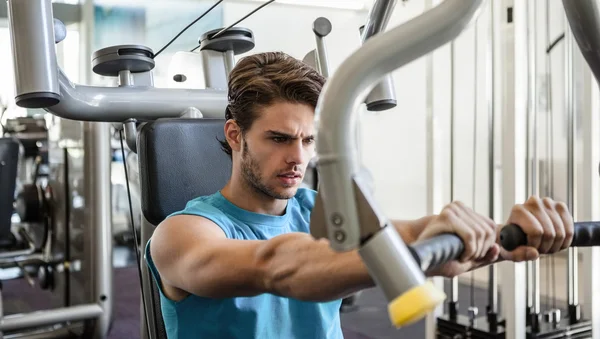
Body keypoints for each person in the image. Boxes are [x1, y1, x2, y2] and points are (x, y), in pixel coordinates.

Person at [146, 51, 574, 339]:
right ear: (235, 135)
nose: (299, 158)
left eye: (309, 141)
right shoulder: (181, 235)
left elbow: (408, 231)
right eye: (278, 138)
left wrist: (507, 232)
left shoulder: (317, 209)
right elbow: (275, 266)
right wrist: (413, 246)